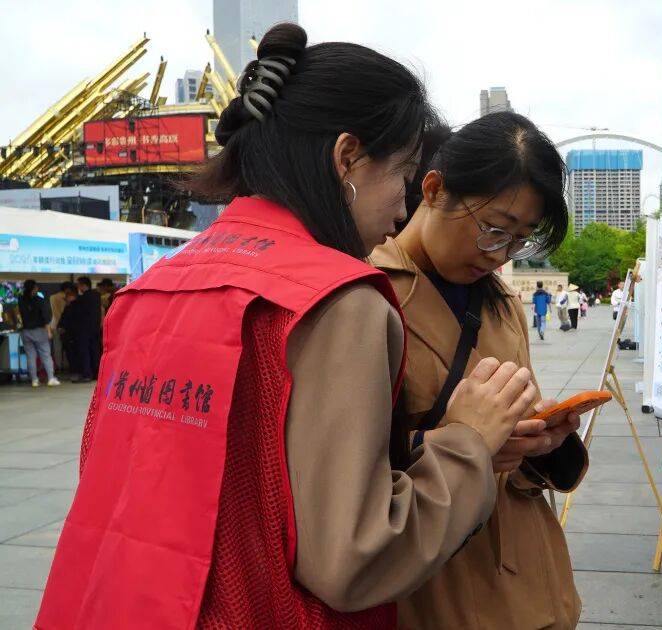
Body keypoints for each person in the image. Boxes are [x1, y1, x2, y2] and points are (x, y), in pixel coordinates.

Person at [36, 24, 536, 629]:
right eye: (401, 173)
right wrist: (469, 443)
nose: (403, 207)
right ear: (347, 157)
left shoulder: (150, 288)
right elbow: (353, 557)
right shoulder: (339, 302)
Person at [373, 111, 587, 629]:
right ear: (434, 188)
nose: (500, 254)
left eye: (521, 239)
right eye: (494, 229)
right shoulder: (369, 294)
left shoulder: (502, 302)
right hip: (440, 583)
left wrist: (541, 439)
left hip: (531, 570)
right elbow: (344, 475)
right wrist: (465, 441)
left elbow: (513, 432)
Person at [17, 279, 59, 387]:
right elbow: (46, 318)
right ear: (34, 288)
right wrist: (49, 331)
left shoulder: (20, 300)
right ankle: (50, 378)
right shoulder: (40, 300)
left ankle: (34, 380)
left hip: (25, 331)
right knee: (45, 355)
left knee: (30, 356)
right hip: (39, 331)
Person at [69, 276, 102, 383]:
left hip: (84, 330)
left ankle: (87, 373)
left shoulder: (81, 299)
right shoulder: (97, 296)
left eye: (78, 285)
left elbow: (77, 314)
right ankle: (97, 373)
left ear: (83, 285)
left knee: (84, 352)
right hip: (96, 328)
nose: (78, 287)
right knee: (95, 351)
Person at [49, 281, 73, 372]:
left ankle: (59, 366)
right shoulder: (67, 297)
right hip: (65, 324)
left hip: (54, 324)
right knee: (68, 347)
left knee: (57, 347)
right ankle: (68, 365)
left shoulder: (52, 297)